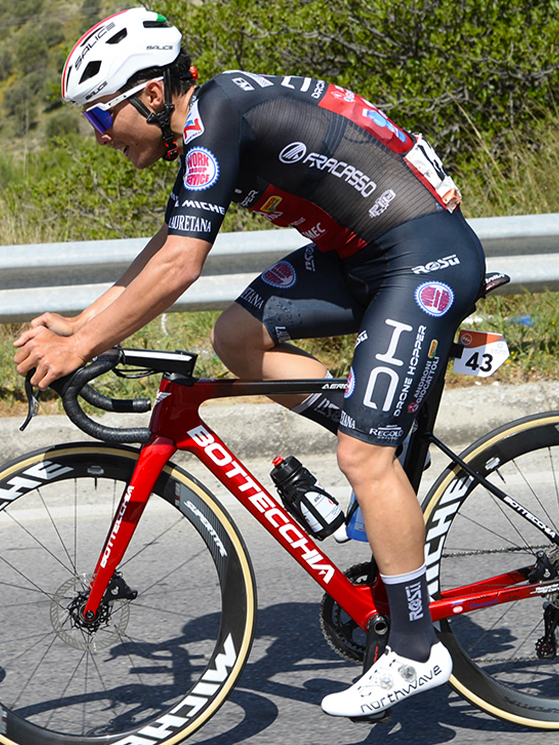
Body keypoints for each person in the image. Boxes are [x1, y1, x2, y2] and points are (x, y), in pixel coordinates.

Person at [14, 7, 485, 720]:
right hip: (360, 257)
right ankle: (375, 432)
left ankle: (416, 649)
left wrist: (80, 346)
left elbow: (180, 265)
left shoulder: (217, 115)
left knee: (362, 454)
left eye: (101, 117)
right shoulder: (207, 121)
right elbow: (166, 244)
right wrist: (83, 324)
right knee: (237, 335)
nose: (99, 136)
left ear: (150, 94)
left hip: (422, 257)